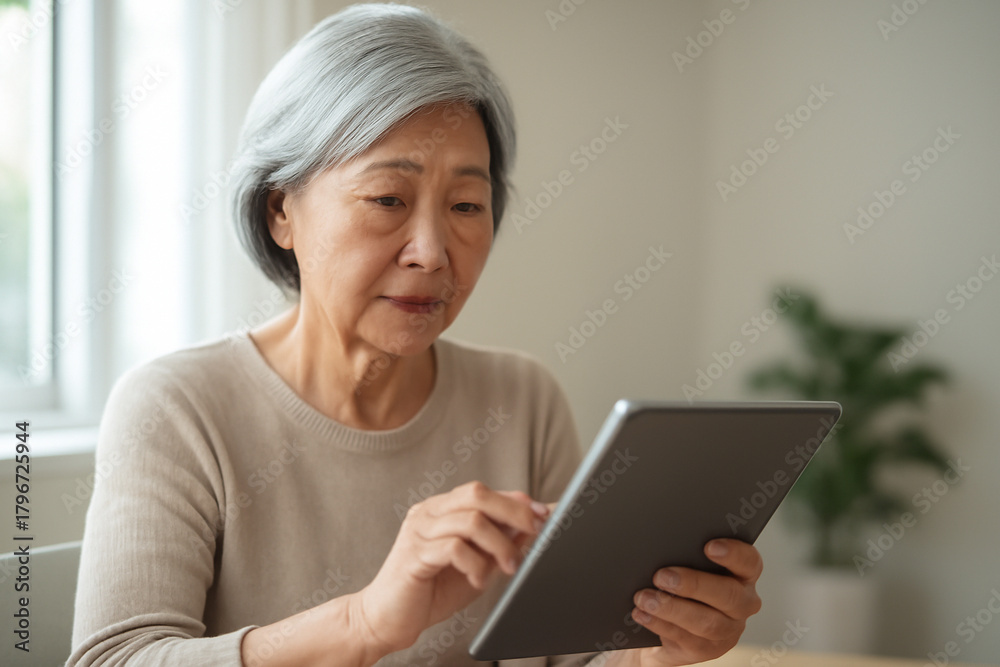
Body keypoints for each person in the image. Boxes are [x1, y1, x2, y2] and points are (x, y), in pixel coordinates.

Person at [69, 4, 762, 665]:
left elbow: (570, 657)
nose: (431, 251)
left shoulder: (523, 398)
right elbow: (116, 658)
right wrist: (365, 622)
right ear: (281, 209)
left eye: (466, 204)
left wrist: (652, 647)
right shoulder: (177, 408)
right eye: (387, 200)